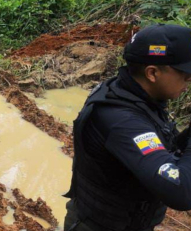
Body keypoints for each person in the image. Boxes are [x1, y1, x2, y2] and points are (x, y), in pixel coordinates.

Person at [64, 24, 191, 231]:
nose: (189, 79)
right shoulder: (120, 119)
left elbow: (166, 149)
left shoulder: (136, 95)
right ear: (152, 73)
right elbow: (180, 192)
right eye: (185, 73)